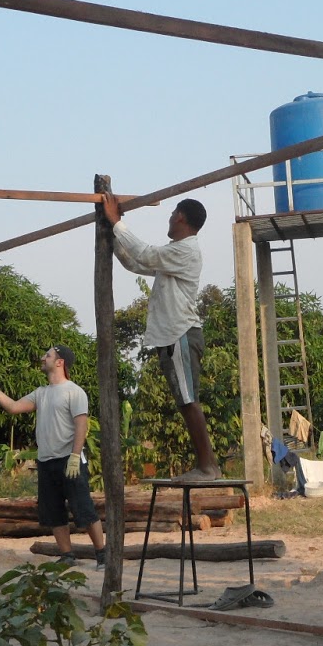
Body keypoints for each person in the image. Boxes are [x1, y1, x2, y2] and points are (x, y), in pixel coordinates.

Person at [101, 192, 221, 483]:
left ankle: (208, 467)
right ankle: (206, 466)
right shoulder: (174, 253)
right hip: (173, 336)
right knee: (184, 401)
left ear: (179, 216)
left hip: (181, 334)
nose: (169, 219)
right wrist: (112, 234)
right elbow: (136, 263)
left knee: (188, 401)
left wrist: (116, 223)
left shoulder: (186, 251)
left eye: (171, 214)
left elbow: (145, 253)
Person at [0, 346, 105, 564]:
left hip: (70, 459)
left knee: (83, 509)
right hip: (46, 461)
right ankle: (67, 555)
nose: (42, 358)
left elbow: (81, 425)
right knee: (53, 512)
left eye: (47, 355)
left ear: (60, 362)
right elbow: (14, 407)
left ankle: (102, 553)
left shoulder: (74, 391)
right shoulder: (41, 393)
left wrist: (75, 456)